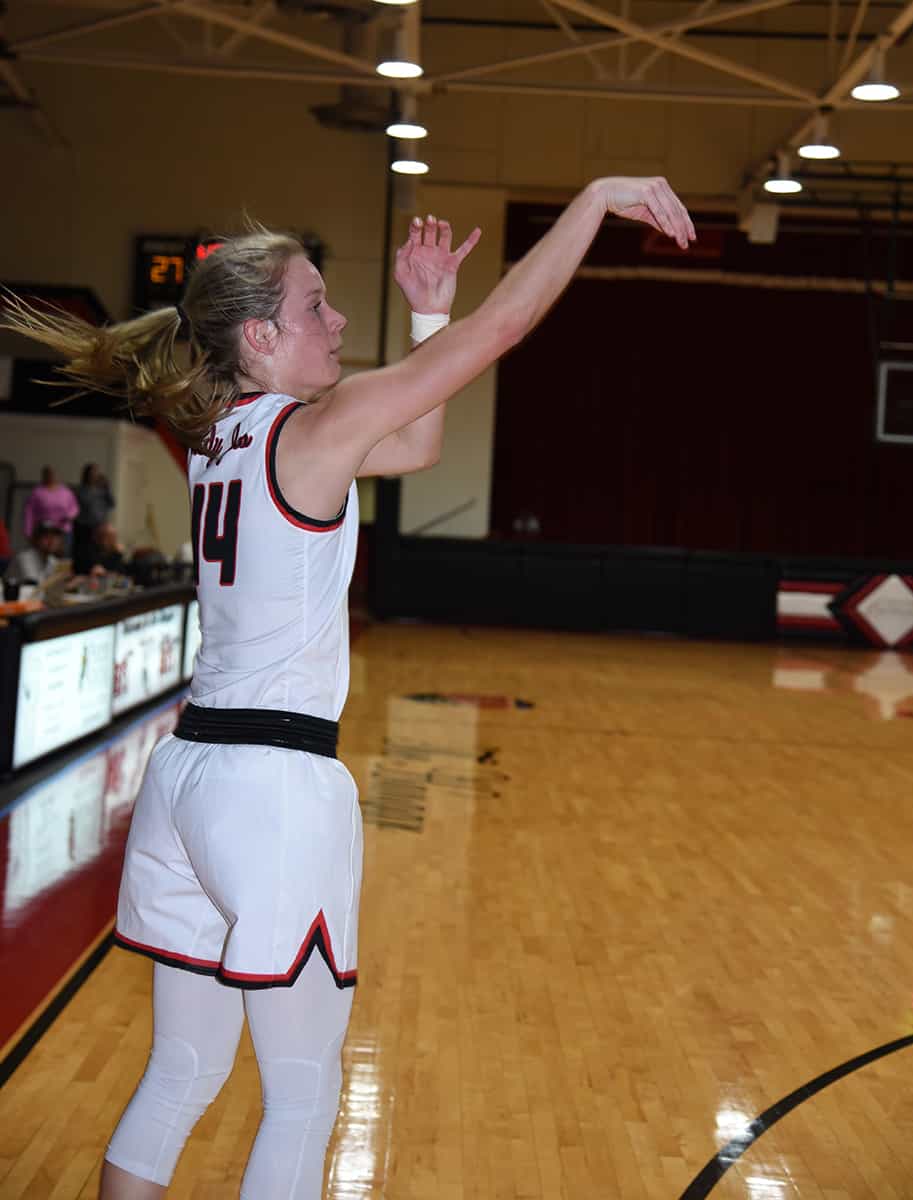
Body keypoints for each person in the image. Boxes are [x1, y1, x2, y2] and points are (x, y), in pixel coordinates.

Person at [0, 176, 693, 1199]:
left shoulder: (217, 443)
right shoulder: (313, 429)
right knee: (302, 1099)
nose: (334, 323)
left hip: (184, 779)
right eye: (315, 307)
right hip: (273, 794)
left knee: (181, 1072)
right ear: (261, 340)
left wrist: (424, 312)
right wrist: (593, 201)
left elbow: (411, 442)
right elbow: (505, 328)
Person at [23, 466, 79, 548]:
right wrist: (28, 531)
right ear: (43, 476)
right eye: (48, 474)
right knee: (45, 554)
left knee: (63, 555)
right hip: (44, 530)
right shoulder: (37, 492)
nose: (50, 476)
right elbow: (29, 513)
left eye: (52, 474)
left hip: (63, 530)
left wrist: (70, 516)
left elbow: (74, 507)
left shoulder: (65, 491)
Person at [74, 462, 116, 567]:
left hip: (100, 527)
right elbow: (79, 507)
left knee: (101, 552)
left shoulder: (102, 490)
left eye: (96, 473)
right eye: (92, 473)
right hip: (85, 527)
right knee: (86, 553)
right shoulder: (80, 490)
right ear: (87, 474)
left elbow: (112, 504)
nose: (94, 475)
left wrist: (107, 488)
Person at [3, 521, 64, 587]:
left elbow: (56, 587)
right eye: (46, 536)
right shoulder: (25, 558)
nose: (52, 541)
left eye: (55, 537)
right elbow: (35, 586)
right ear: (36, 539)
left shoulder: (52, 561)